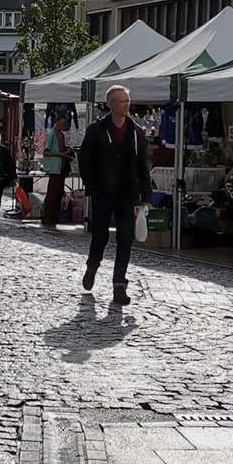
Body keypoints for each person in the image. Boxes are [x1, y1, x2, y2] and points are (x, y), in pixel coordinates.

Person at [77, 84, 150, 307]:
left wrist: (146, 195)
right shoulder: (97, 129)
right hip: (103, 193)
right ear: (110, 104)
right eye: (121, 101)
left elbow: (142, 165)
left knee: (125, 239)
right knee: (100, 236)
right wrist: (92, 186)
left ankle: (119, 285)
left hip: (128, 194)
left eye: (127, 100)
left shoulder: (136, 132)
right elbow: (84, 159)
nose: (126, 105)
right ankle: (92, 266)